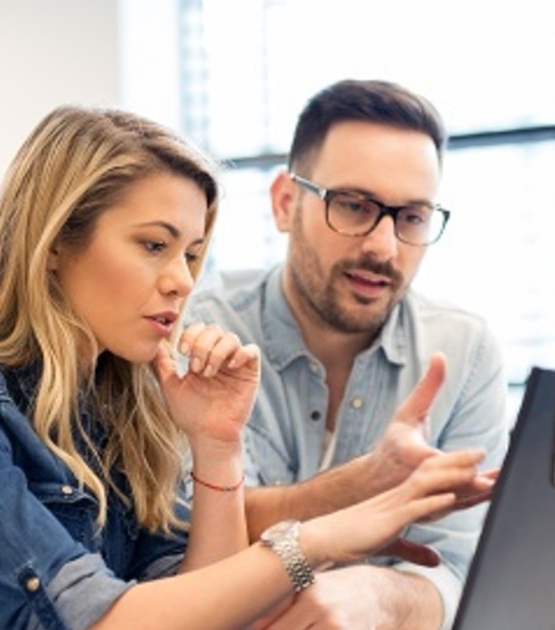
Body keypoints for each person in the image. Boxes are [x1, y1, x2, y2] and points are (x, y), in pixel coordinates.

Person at [0, 105, 487, 629]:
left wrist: (216, 449)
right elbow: (95, 620)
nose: (182, 281)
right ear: (53, 244)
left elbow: (195, 610)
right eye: (153, 246)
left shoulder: (118, 406)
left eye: (190, 254)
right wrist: (318, 539)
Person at [185, 79, 510, 630]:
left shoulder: (465, 352)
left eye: (411, 218)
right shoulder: (199, 334)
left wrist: (382, 596)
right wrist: (370, 483)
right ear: (286, 204)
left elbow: (465, 572)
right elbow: (186, 534)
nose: (384, 247)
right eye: (354, 206)